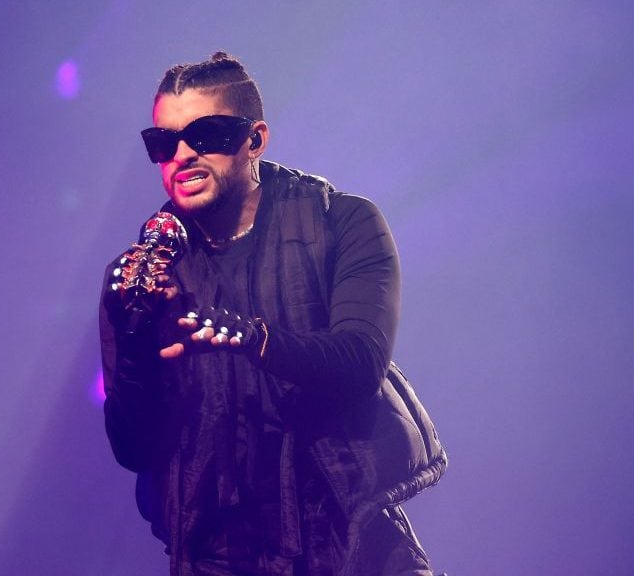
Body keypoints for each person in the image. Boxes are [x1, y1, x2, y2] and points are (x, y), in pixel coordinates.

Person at [99, 52, 446, 576]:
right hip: (219, 552)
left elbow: (360, 362)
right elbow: (132, 446)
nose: (184, 155)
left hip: (351, 538)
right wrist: (133, 345)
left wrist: (253, 339)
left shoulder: (342, 222)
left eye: (208, 135)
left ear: (254, 139)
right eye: (164, 143)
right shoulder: (141, 277)